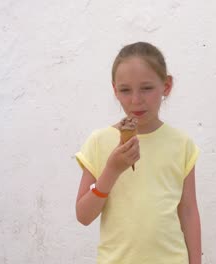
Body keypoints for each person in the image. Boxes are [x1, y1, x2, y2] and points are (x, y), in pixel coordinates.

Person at [75, 42, 201, 264]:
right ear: (115, 90)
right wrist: (112, 170)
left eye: (146, 88)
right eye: (125, 90)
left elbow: (188, 211)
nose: (136, 100)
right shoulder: (99, 142)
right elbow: (83, 216)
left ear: (167, 86)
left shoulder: (181, 144)